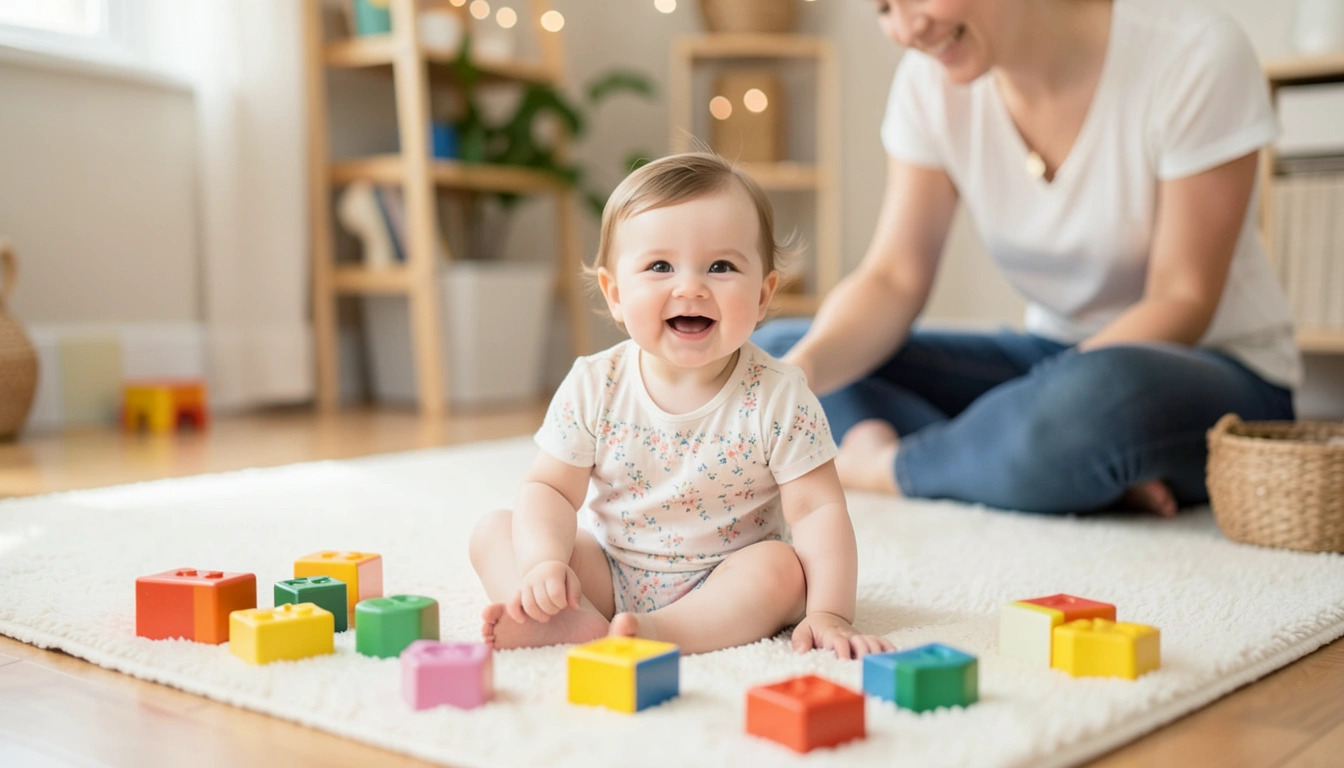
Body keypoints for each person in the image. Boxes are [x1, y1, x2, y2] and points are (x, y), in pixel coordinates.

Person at [754, 0, 1299, 516]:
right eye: (883, 7)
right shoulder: (928, 84)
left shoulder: (1193, 52)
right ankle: (1050, 468)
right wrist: (800, 375)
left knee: (1090, 400)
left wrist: (1043, 404)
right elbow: (893, 278)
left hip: (1207, 373)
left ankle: (894, 466)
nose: (905, 29)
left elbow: (1182, 299)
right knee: (774, 353)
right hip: (1049, 358)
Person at [469, 153, 894, 659]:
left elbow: (818, 509)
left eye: (721, 267)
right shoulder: (595, 383)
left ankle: (655, 632)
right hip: (609, 570)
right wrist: (544, 564)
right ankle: (559, 614)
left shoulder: (780, 395)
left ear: (763, 295)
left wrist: (830, 612)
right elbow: (551, 490)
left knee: (781, 570)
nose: (690, 287)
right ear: (615, 294)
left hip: (726, 581)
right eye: (660, 266)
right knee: (494, 531)